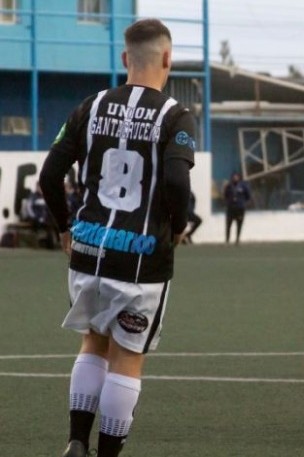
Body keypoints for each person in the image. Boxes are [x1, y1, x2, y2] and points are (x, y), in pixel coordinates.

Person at [38, 18, 195, 457]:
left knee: (93, 341)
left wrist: (64, 226)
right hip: (141, 258)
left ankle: (75, 442)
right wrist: (179, 224)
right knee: (127, 356)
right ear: (167, 58)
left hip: (88, 249)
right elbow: (178, 182)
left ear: (126, 59)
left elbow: (51, 174)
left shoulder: (90, 105)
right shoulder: (176, 115)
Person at [223, 172, 250, 245]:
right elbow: (225, 195)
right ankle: (227, 240)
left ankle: (237, 240)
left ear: (239, 177)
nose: (235, 178)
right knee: (228, 225)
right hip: (231, 208)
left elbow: (248, 196)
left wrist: (243, 203)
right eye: (234, 177)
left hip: (240, 209)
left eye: (236, 176)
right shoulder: (229, 186)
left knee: (239, 224)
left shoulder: (243, 186)